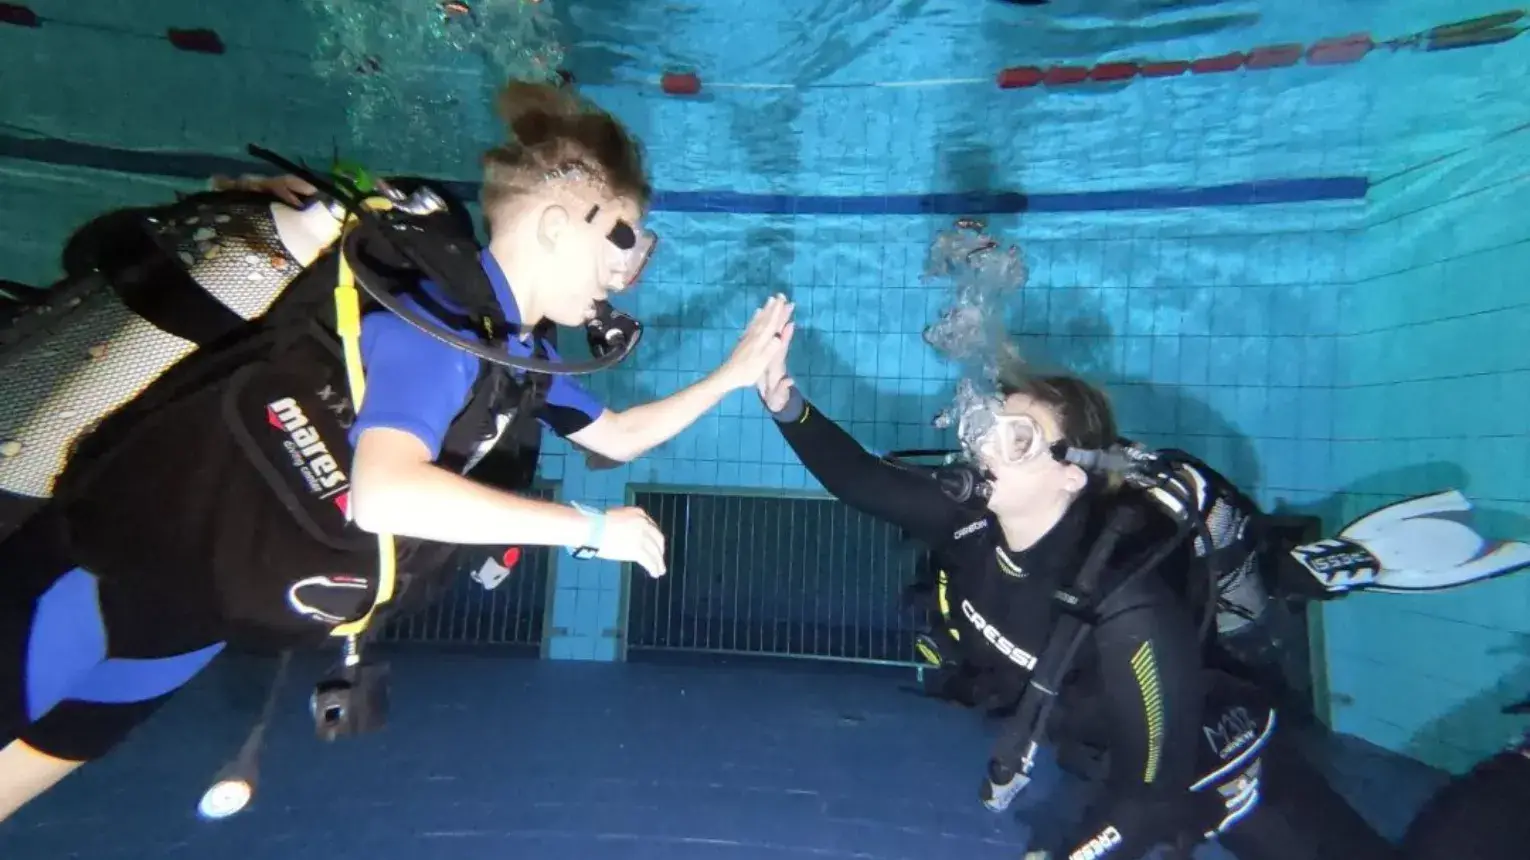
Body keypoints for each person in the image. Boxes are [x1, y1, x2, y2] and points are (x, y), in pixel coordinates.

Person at [0, 81, 793, 823]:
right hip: (102, 571)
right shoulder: (437, 327)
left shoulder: (512, 354)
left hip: (190, 614)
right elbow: (385, 492)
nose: (623, 276)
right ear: (557, 224)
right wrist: (590, 529)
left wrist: (730, 376)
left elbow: (616, 436)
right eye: (622, 243)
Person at [754, 332, 1398, 860]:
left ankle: (1291, 575)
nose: (984, 447)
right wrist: (784, 401)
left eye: (1018, 438)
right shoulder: (968, 522)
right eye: (987, 427)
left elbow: (1150, 802)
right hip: (1096, 752)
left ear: (1071, 474)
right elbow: (859, 479)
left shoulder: (1126, 604)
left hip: (1220, 765)